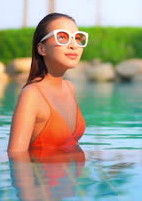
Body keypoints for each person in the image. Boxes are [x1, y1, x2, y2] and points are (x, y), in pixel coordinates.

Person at [7, 13, 88, 154]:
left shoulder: (70, 88)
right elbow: (16, 157)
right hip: (43, 176)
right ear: (42, 49)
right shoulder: (32, 95)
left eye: (77, 38)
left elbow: (68, 145)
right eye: (62, 37)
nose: (73, 45)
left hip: (73, 175)